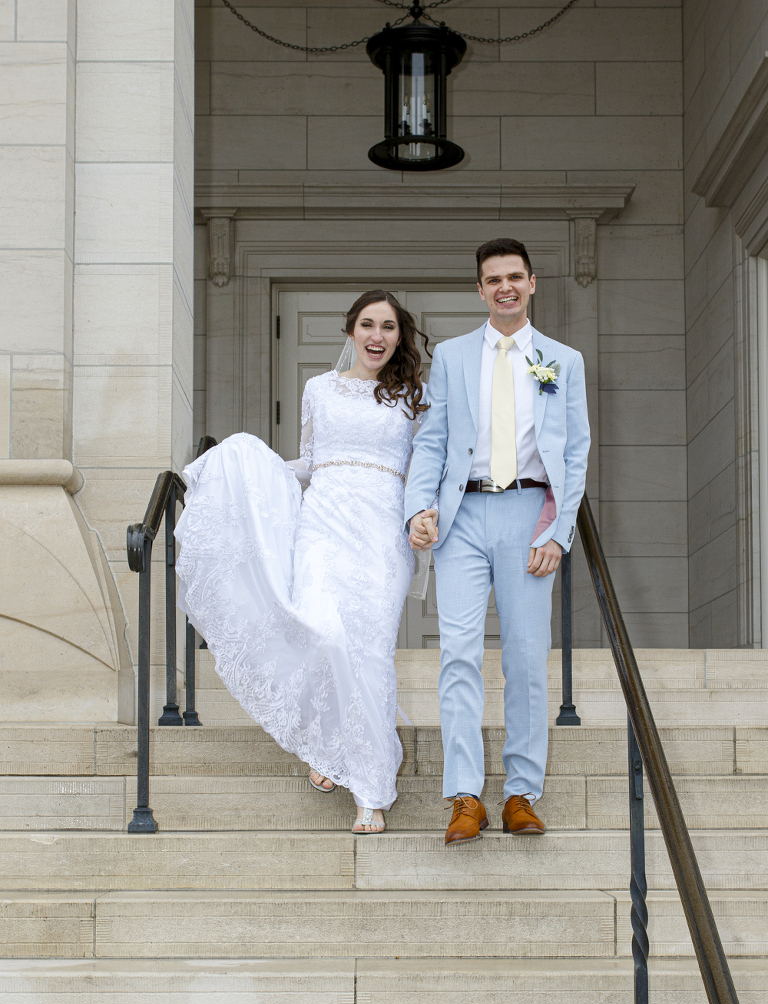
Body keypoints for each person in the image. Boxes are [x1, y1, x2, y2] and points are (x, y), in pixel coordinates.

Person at [175, 290, 428, 834]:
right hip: (324, 525)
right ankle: (325, 740)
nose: (377, 336)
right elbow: (312, 461)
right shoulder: (319, 389)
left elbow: (423, 467)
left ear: (400, 336)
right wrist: (244, 467)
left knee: (368, 650)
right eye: (367, 324)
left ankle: (370, 791)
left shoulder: (414, 396)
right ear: (351, 330)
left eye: (388, 326)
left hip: (382, 531)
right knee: (321, 633)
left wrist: (422, 515)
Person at [405, 237, 590, 845]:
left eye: (515, 277)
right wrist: (420, 507)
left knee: (526, 660)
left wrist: (558, 533)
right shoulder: (454, 357)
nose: (504, 287)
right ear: (479, 289)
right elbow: (432, 441)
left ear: (532, 283)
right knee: (457, 654)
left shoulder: (563, 360)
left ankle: (520, 794)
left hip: (530, 514)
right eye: (493, 279)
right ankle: (464, 796)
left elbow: (576, 450)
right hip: (463, 516)